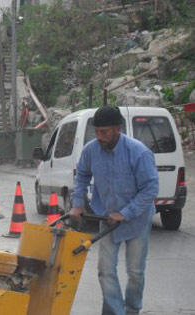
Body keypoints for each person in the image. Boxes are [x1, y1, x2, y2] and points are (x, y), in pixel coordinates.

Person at [70, 106, 159, 315]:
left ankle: (132, 310)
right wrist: (77, 203)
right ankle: (115, 311)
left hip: (137, 220)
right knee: (105, 271)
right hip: (108, 218)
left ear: (118, 129)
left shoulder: (138, 152)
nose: (99, 137)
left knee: (135, 272)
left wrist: (125, 213)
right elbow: (81, 175)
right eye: (97, 132)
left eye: (104, 132)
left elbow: (151, 188)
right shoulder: (91, 150)